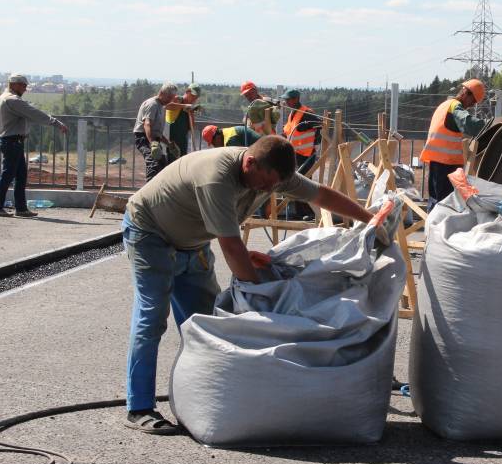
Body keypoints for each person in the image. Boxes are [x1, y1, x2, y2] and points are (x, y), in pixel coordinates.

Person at [121, 135, 385, 434]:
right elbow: (232, 248)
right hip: (150, 235)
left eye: (274, 186)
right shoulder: (216, 178)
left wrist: (370, 220)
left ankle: (200, 397)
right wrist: (263, 296)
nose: (269, 191)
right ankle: (139, 407)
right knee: (152, 317)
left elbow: (321, 196)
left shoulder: (272, 173)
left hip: (191, 243)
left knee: (206, 322)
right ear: (249, 162)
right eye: (264, 184)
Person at [0, 74, 68, 218]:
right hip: (12, 142)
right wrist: (56, 123)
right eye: (22, 85)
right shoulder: (13, 100)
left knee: (20, 176)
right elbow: (34, 113)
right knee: (8, 175)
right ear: (13, 84)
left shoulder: (2, 98)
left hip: (11, 141)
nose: (25, 89)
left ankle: (21, 208)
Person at [419, 78, 488, 209]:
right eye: (473, 101)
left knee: (436, 201)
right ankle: (439, 228)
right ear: (466, 93)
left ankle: (433, 226)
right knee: (445, 203)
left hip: (438, 162)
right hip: (446, 164)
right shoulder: (454, 107)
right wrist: (492, 124)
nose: (472, 105)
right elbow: (470, 125)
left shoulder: (445, 105)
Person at [133, 82, 178, 183]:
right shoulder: (152, 104)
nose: (170, 100)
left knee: (162, 163)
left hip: (152, 138)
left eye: (172, 98)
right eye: (169, 97)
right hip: (144, 138)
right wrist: (153, 143)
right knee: (153, 163)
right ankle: (149, 195)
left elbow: (157, 132)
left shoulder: (161, 106)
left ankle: (158, 192)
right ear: (161, 93)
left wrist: (169, 144)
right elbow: (147, 125)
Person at [280, 89, 321, 175]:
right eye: (285, 100)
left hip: (306, 156)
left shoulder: (307, 113)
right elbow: (288, 130)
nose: (286, 102)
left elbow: (321, 124)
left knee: (305, 180)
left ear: (296, 99)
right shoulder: (292, 113)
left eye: (288, 100)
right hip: (295, 153)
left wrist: (316, 141)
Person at [164, 83, 203, 159]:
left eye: (196, 97)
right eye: (193, 96)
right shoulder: (178, 99)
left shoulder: (189, 107)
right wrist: (184, 106)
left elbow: (192, 127)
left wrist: (191, 111)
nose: (194, 99)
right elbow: (167, 106)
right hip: (171, 142)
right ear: (187, 91)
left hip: (182, 143)